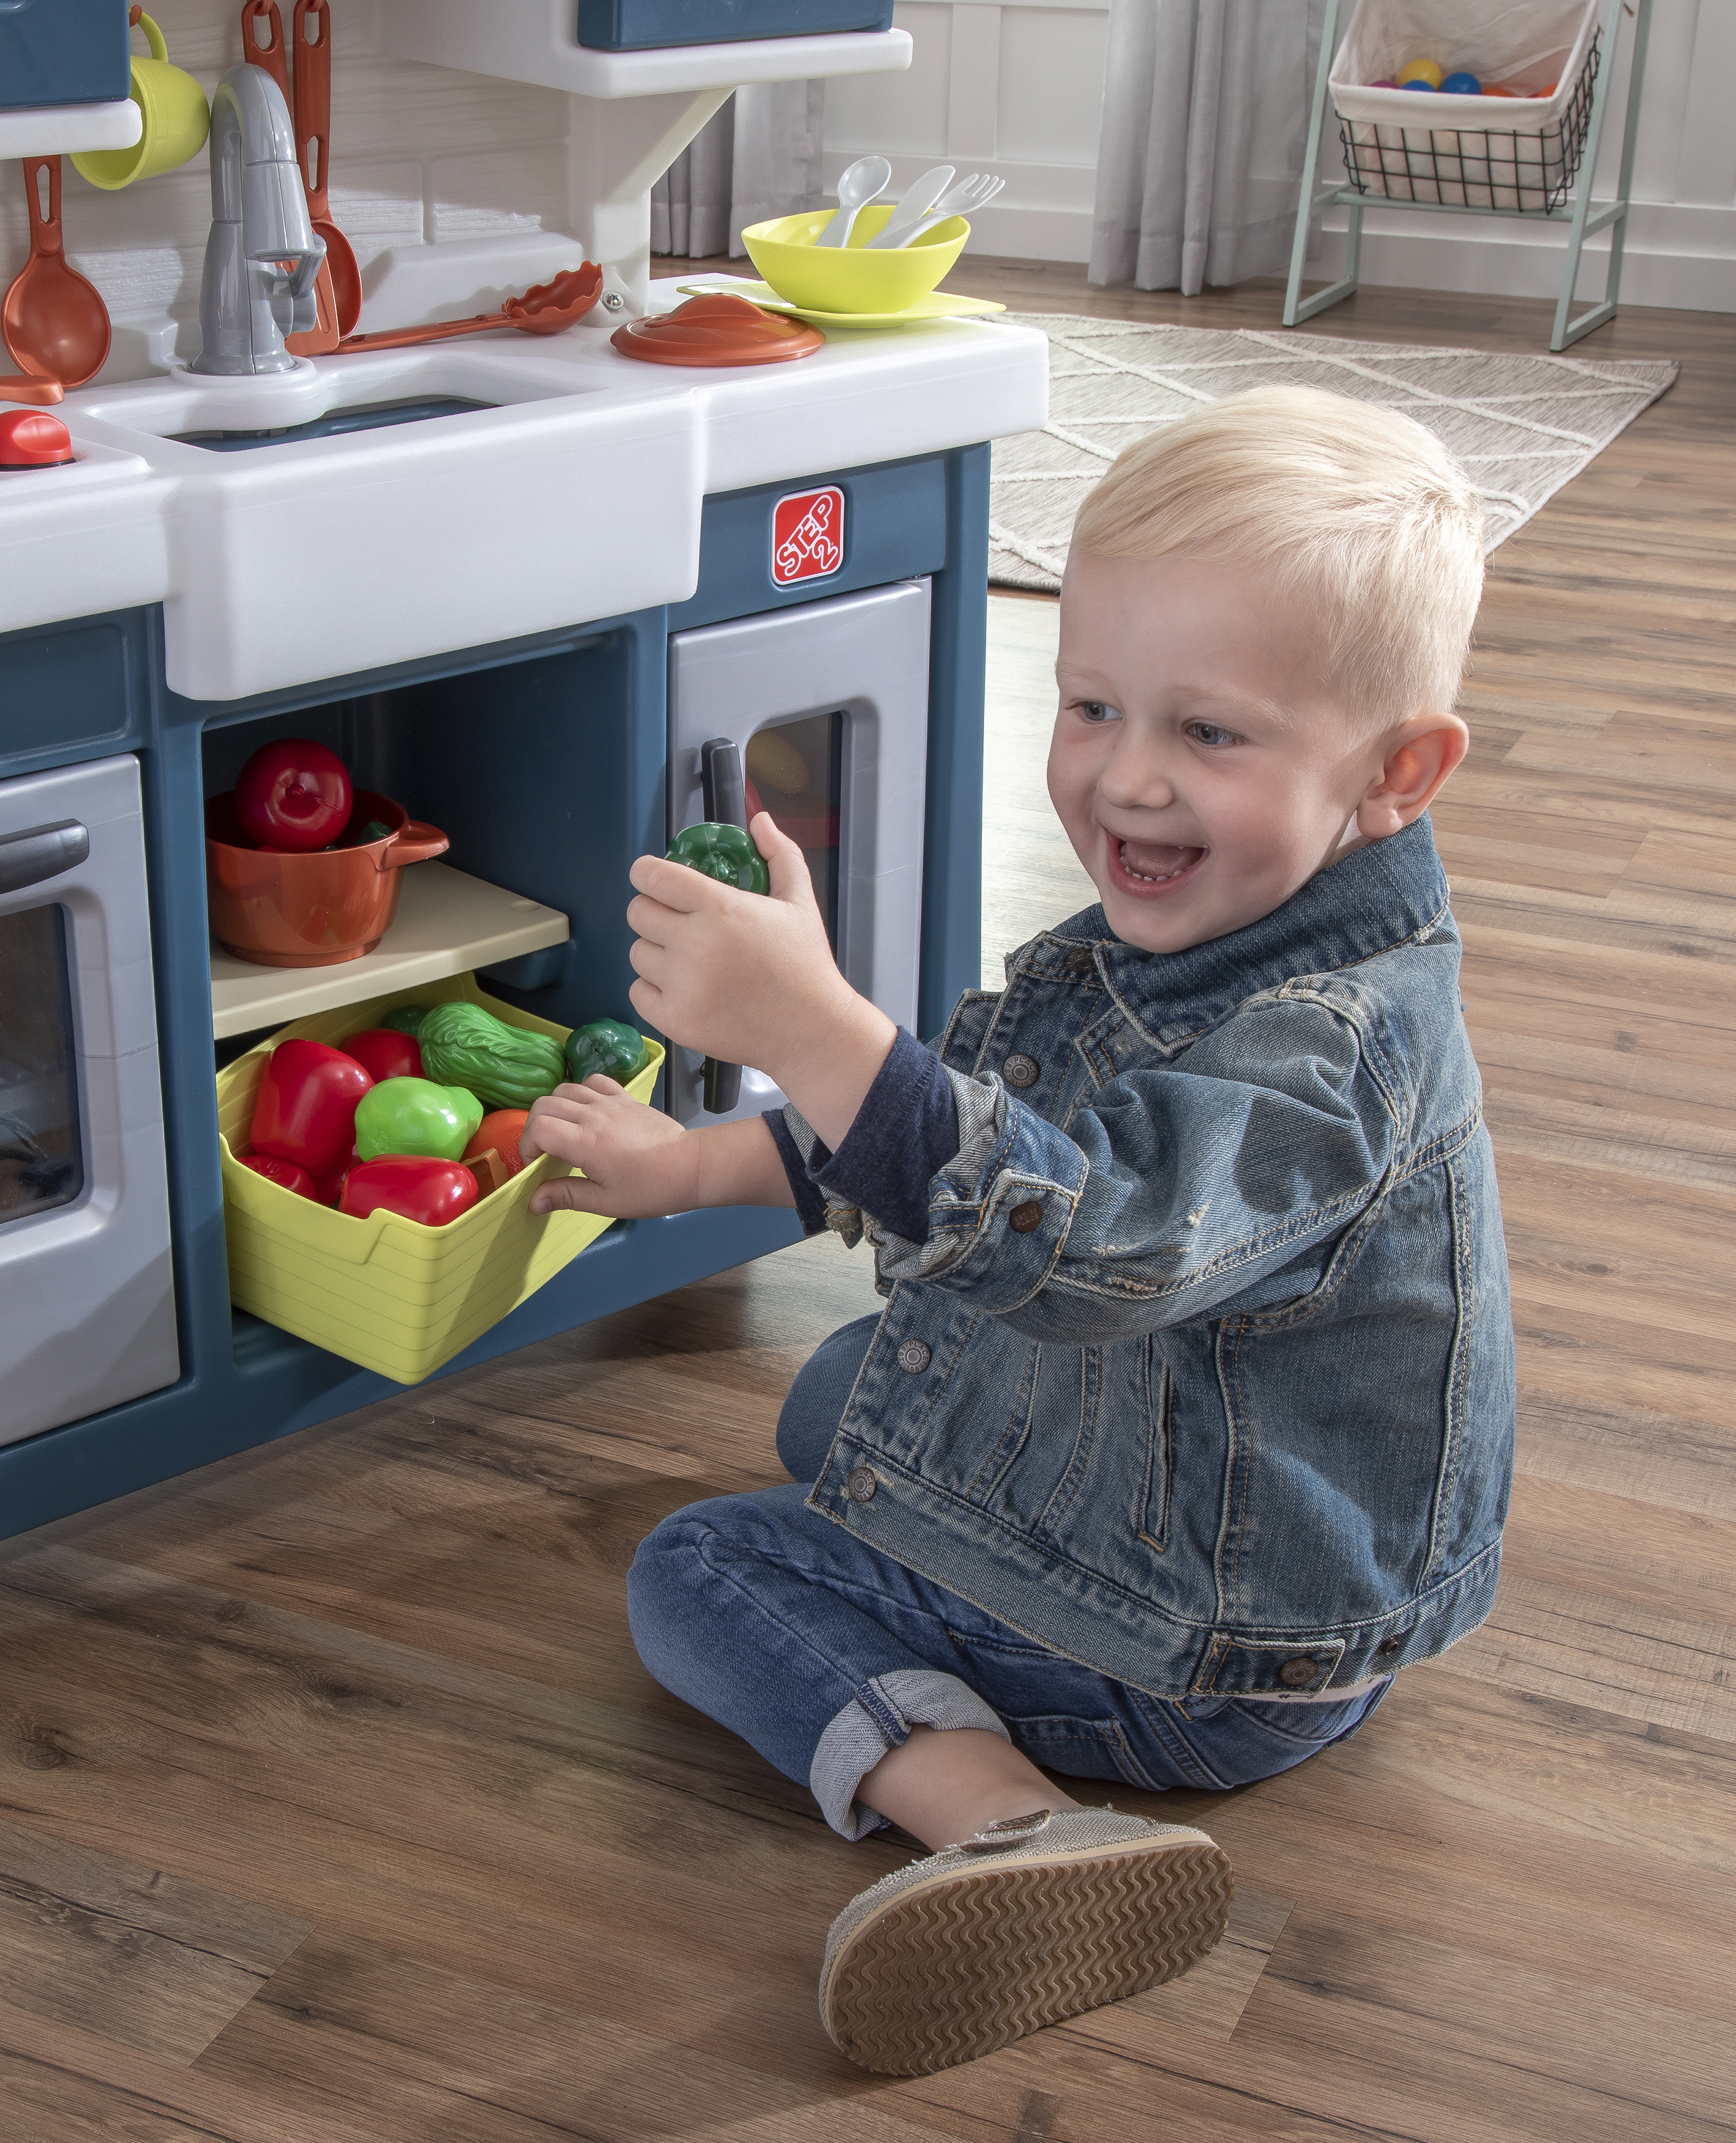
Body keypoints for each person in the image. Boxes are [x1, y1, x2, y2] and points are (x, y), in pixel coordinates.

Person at [519, 385, 1512, 2077]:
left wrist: (820, 1028)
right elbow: (989, 1125)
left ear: (1394, 772)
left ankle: (1011, 1822)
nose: (1124, 775)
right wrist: (687, 1174)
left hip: (1218, 1647)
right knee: (840, 1399)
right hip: (1247, 1536)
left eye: (1210, 734)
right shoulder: (1207, 928)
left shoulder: (1333, 1050)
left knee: (703, 1567)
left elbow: (1078, 1237)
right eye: (1090, 703)